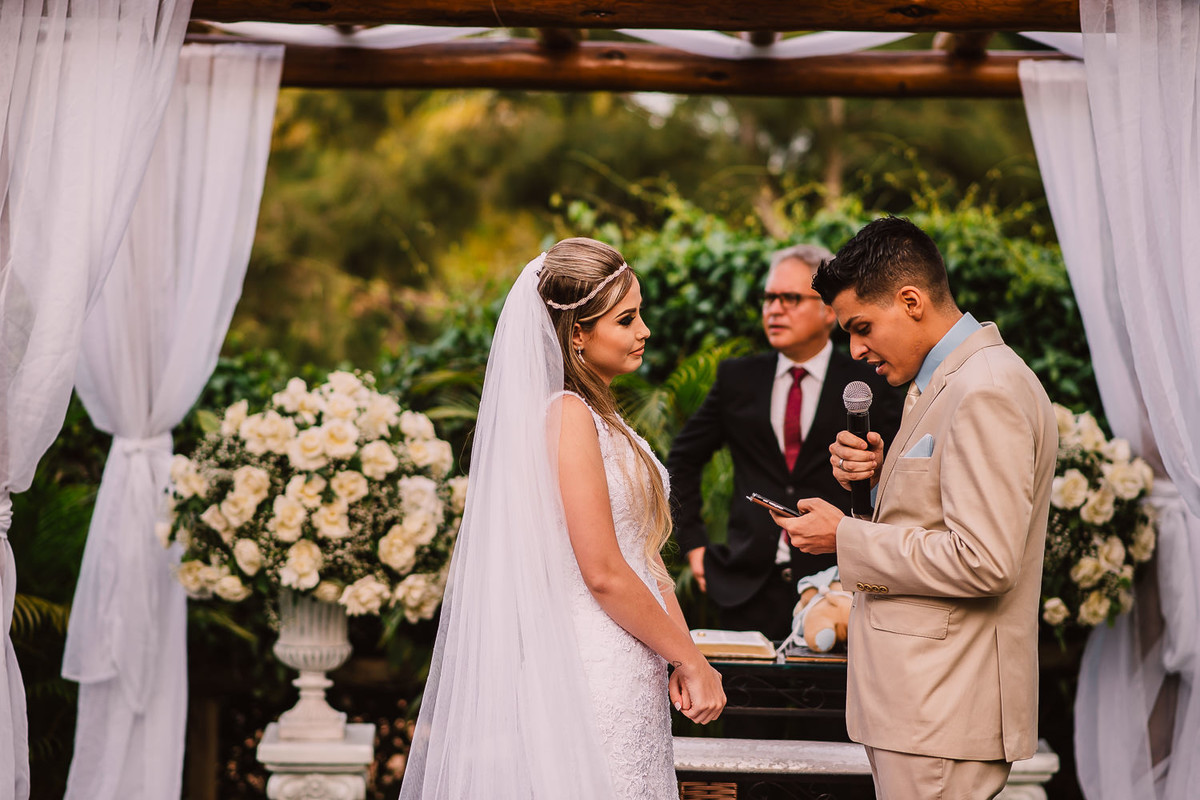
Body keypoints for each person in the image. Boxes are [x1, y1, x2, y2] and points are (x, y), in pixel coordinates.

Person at [400, 238, 725, 800]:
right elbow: (601, 570)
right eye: (626, 319)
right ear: (577, 333)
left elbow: (645, 557)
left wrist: (679, 649)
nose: (644, 330)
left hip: (634, 659)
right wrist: (690, 658)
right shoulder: (567, 416)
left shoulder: (604, 417)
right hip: (591, 669)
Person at [773, 217, 1058, 800]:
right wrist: (883, 482)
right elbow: (941, 522)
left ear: (911, 300)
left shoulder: (986, 389)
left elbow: (984, 560)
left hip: (942, 709)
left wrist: (845, 537)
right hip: (924, 708)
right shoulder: (948, 381)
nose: (853, 350)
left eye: (861, 327)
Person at [667, 243, 901, 640]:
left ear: (830, 311)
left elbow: (897, 470)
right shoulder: (737, 379)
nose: (774, 309)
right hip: (744, 589)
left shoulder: (868, 381)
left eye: (790, 298)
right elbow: (682, 460)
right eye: (769, 298)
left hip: (836, 586)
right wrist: (695, 546)